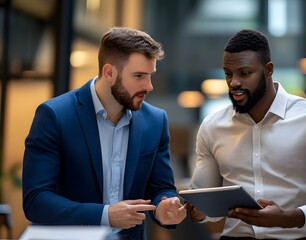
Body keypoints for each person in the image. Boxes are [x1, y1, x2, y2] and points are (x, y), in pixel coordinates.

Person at [186, 29, 306, 240]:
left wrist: (292, 217)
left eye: (244, 73)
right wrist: (198, 211)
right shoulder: (212, 126)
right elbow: (204, 199)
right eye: (228, 73)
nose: (234, 82)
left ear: (268, 70)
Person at [22, 27, 186, 240]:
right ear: (109, 72)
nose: (149, 86)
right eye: (139, 76)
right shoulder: (54, 115)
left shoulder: (156, 121)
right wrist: (105, 215)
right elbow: (36, 201)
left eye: (150, 75)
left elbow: (161, 187)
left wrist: (164, 207)